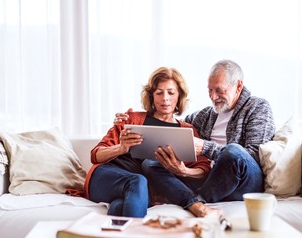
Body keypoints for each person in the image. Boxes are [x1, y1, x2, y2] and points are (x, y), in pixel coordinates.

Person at [115, 59, 276, 203]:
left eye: (219, 90)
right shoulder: (205, 115)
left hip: (244, 184)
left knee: (233, 151)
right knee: (152, 163)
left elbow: (253, 157)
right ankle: (187, 198)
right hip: (206, 180)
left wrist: (206, 147)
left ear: (238, 86)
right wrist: (131, 120)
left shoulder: (257, 107)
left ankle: (196, 201)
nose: (213, 97)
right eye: (210, 90)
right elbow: (171, 127)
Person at [85, 66, 215, 218]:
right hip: (106, 177)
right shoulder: (132, 119)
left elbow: (203, 169)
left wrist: (184, 171)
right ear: (152, 96)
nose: (165, 98)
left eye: (171, 92)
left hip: (139, 190)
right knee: (138, 181)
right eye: (159, 92)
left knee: (119, 206)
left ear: (179, 96)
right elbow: (95, 155)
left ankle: (117, 236)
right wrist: (121, 148)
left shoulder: (187, 130)